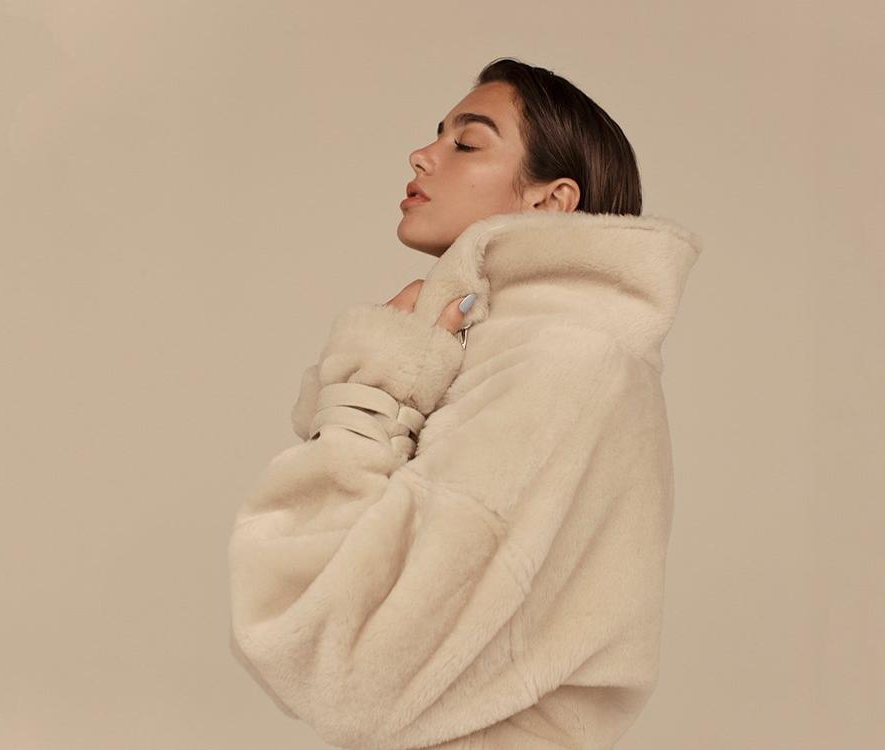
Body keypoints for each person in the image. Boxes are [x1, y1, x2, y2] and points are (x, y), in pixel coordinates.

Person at [227, 57, 703, 750]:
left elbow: (335, 670)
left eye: (468, 143)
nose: (422, 155)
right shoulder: (521, 353)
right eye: (438, 135)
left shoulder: (559, 360)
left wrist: (373, 391)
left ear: (551, 201)